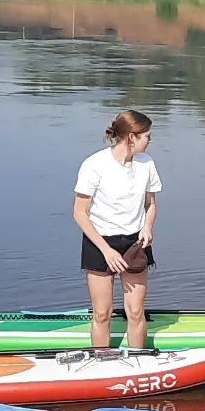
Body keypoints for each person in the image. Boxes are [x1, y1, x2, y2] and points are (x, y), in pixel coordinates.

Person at [73, 109, 160, 348]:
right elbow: (79, 213)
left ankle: (138, 359)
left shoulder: (146, 163)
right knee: (102, 313)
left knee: (136, 311)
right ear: (131, 137)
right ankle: (102, 359)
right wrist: (107, 251)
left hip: (135, 242)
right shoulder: (95, 164)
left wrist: (147, 226)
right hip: (100, 243)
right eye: (147, 136)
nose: (150, 140)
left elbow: (151, 204)